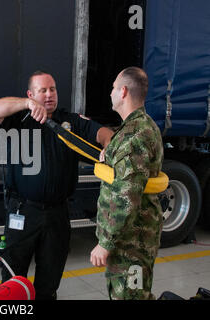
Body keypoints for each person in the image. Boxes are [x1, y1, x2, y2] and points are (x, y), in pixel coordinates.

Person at [0, 71, 113, 299]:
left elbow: (103, 133)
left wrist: (109, 146)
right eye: (42, 90)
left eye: (52, 89)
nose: (49, 95)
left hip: (57, 214)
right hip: (23, 212)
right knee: (12, 279)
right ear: (30, 94)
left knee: (49, 280)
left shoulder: (71, 122)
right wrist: (26, 104)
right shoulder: (19, 120)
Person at [90, 67, 164, 300]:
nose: (110, 92)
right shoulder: (136, 127)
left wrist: (105, 242)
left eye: (113, 87)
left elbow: (127, 195)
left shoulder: (134, 136)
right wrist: (109, 155)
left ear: (123, 92)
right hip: (131, 237)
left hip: (131, 241)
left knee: (131, 296)